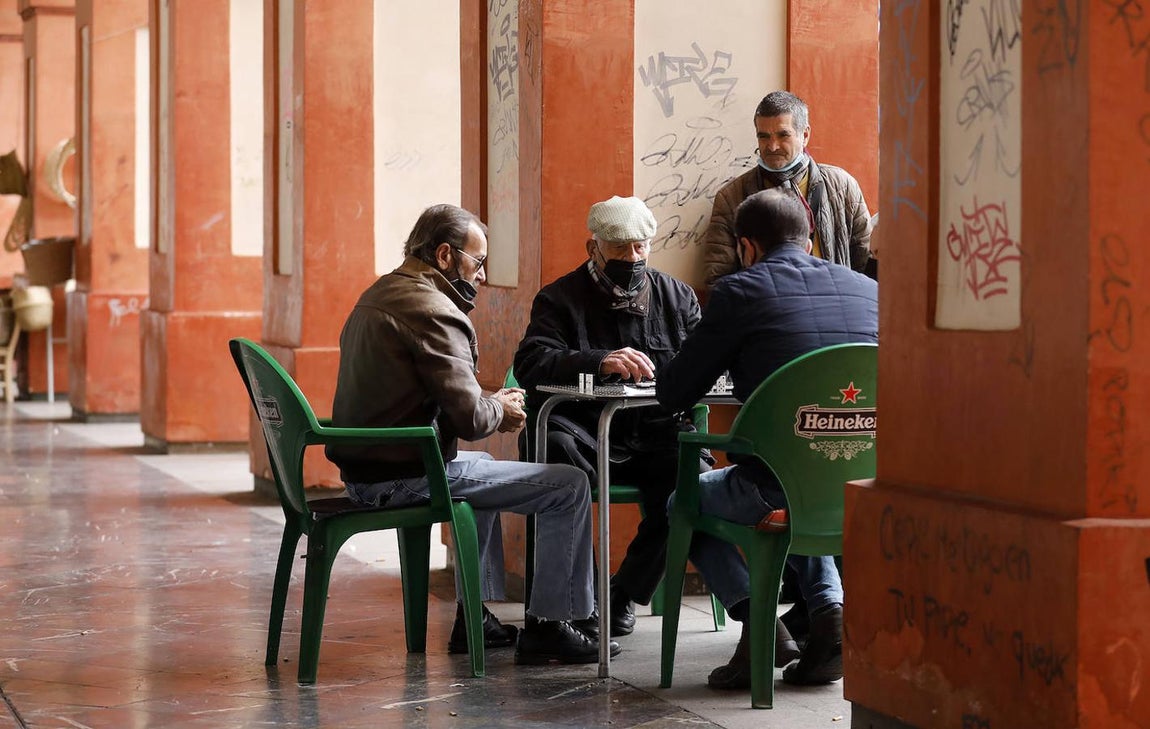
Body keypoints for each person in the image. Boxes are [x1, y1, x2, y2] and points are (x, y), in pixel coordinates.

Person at [325, 203, 620, 665]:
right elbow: (470, 420)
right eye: (478, 263)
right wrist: (498, 408)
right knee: (570, 485)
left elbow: (440, 393)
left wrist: (488, 402)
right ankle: (553, 623)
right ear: (445, 255)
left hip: (369, 469)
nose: (481, 277)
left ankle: (474, 617)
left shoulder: (380, 293)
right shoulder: (434, 310)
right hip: (402, 476)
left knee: (480, 472)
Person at [657, 188, 878, 689]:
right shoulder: (868, 290)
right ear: (812, 238)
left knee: (683, 503)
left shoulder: (739, 291)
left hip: (777, 484)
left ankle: (759, 619)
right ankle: (829, 616)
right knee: (803, 472)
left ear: (746, 247)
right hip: (859, 486)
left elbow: (674, 393)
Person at [513, 195, 706, 638]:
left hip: (656, 434)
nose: (632, 258)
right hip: (582, 432)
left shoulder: (677, 298)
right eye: (619, 249)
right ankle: (580, 597)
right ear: (592, 248)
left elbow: (704, 362)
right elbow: (531, 363)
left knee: (693, 477)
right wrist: (599, 360)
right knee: (553, 455)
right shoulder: (558, 299)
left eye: (640, 247)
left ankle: (623, 593)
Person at [701, 90, 873, 287]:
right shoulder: (732, 197)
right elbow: (718, 280)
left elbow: (865, 262)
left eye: (783, 135)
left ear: (805, 135)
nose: (772, 146)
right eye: (764, 136)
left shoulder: (842, 186)